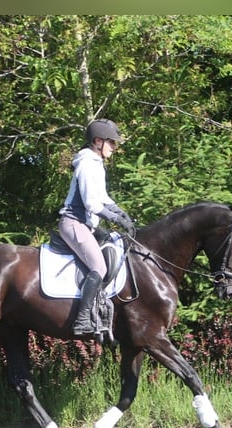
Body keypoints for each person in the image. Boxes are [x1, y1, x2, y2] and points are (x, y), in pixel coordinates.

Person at [58, 118, 136, 335]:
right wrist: (115, 218)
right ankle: (82, 320)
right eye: (111, 142)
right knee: (99, 267)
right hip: (74, 223)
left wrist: (120, 211)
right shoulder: (85, 163)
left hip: (87, 225)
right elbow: (92, 203)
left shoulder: (95, 163)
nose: (114, 147)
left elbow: (102, 197)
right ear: (97, 141)